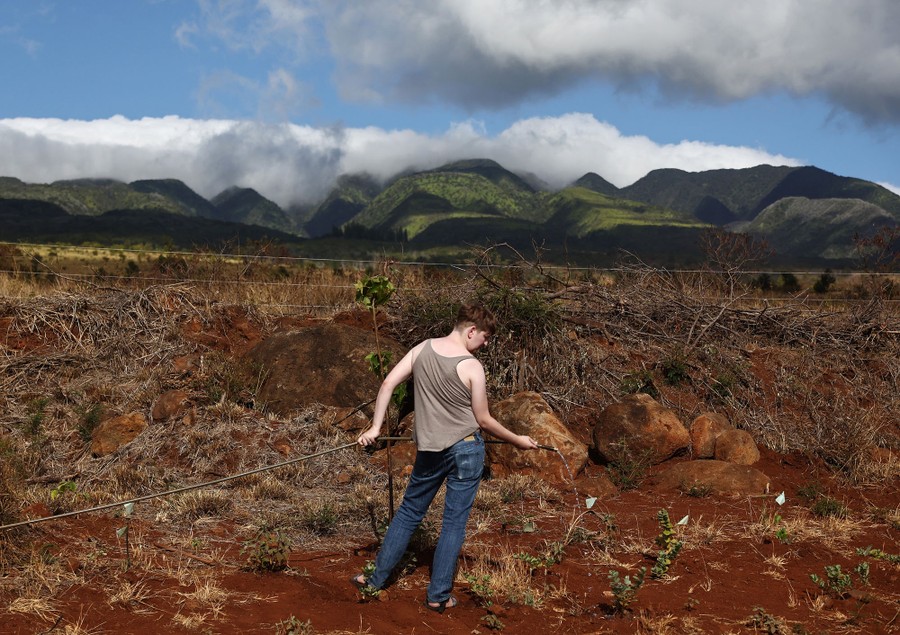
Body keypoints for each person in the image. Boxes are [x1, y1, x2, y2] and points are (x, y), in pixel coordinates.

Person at [352, 303, 539, 613]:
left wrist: (374, 427)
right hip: (466, 450)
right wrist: (517, 440)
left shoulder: (421, 349)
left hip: (430, 451)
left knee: (409, 512)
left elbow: (387, 384)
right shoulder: (471, 366)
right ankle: (438, 595)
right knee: (453, 524)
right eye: (486, 337)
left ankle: (372, 580)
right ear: (471, 331)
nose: (486, 344)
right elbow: (483, 420)